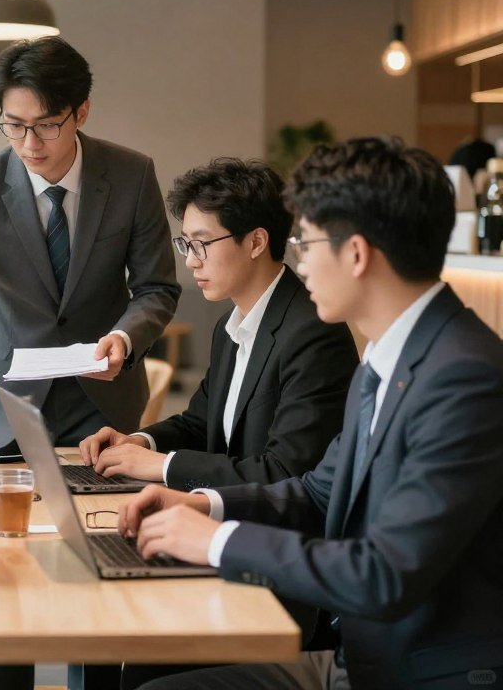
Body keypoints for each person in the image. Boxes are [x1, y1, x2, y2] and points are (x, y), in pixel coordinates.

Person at [120, 137, 503, 689]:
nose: (297, 259)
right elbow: (319, 492)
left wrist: (217, 542)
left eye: (306, 242)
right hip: (365, 655)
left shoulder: (464, 378)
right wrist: (201, 503)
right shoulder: (391, 355)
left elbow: (385, 574)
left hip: (417, 672)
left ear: (356, 253)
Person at [0, 36, 181, 450]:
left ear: (81, 112)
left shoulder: (131, 177)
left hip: (103, 398)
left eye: (46, 125)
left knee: (102, 513)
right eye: (14, 125)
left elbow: (157, 288)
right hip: (4, 398)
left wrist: (126, 338)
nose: (29, 143)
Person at [80, 158, 357, 491]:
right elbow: (200, 424)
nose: (191, 260)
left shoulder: (312, 333)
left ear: (256, 242)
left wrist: (163, 465)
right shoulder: (229, 326)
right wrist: (139, 443)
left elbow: (285, 472)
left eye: (202, 244)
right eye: (185, 243)